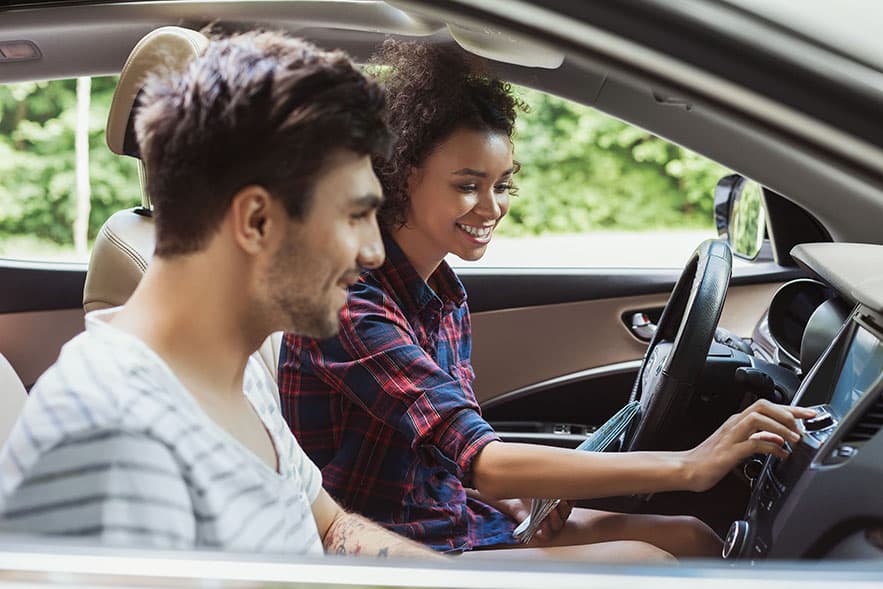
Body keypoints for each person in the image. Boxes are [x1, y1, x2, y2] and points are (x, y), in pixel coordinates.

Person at [278, 40, 814, 561]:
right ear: (399, 178)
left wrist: (513, 497)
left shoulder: (441, 293)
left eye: (503, 185)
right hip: (397, 547)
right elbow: (482, 459)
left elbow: (451, 450)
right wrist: (691, 465)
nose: (492, 207)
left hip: (455, 516)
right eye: (468, 185)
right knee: (643, 561)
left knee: (694, 537)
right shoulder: (350, 305)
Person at [0, 31, 440, 560]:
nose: (374, 251)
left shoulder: (232, 370)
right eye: (355, 216)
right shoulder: (116, 443)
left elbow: (331, 529)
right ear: (256, 220)